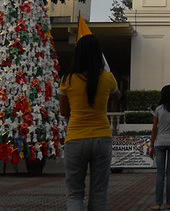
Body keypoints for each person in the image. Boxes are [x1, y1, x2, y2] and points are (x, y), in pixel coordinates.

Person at [59, 34, 121, 211]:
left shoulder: (67, 80)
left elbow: (64, 112)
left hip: (76, 139)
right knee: (99, 193)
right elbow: (117, 96)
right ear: (98, 54)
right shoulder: (107, 78)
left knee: (75, 193)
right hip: (102, 137)